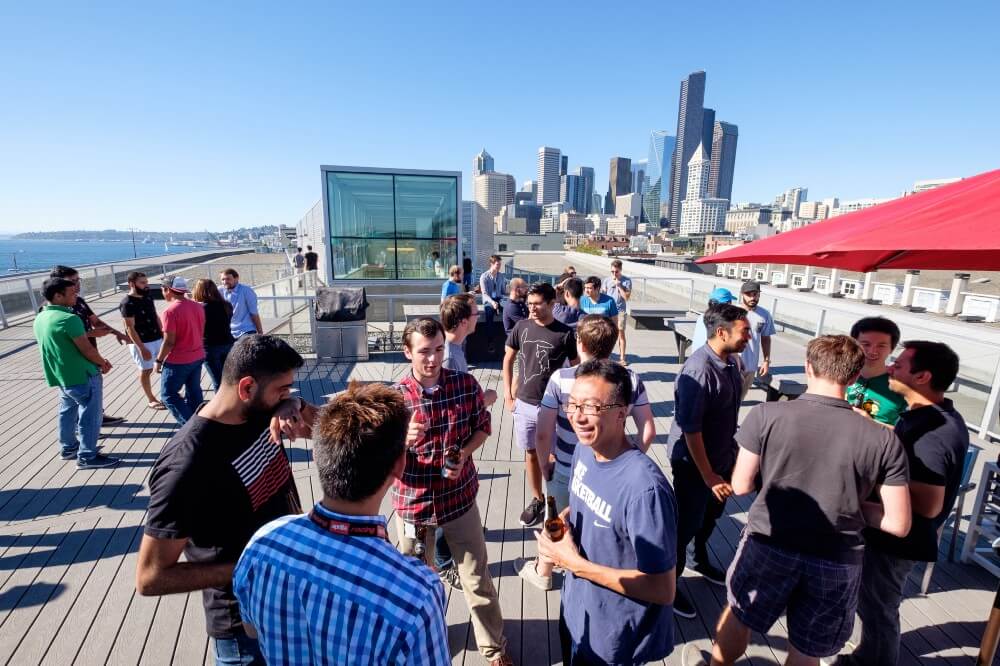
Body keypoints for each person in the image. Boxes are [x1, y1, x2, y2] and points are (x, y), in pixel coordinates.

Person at [683, 335, 911, 666]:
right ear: (853, 376)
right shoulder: (883, 439)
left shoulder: (766, 415)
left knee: (740, 614)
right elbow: (898, 523)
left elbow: (742, 485)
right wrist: (843, 503)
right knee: (807, 647)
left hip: (769, 542)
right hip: (836, 557)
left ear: (808, 368)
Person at [233, 382, 449, 665]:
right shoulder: (417, 594)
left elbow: (251, 629)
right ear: (399, 465)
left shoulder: (263, 543)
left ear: (319, 455)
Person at [136, 335, 312, 665]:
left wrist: (295, 405)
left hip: (289, 606)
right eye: (282, 388)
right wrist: (252, 567)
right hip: (244, 632)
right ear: (246, 388)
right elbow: (150, 577)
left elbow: (320, 426)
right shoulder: (186, 465)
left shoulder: (258, 410)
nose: (285, 395)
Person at [538, 359, 677, 665]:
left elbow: (663, 588)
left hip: (613, 636)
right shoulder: (584, 450)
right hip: (577, 611)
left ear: (621, 412)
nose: (577, 417)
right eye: (572, 404)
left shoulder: (645, 490)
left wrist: (573, 563)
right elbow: (583, 503)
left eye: (591, 407)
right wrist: (564, 522)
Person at [392, 318, 511, 665]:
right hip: (415, 506)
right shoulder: (394, 400)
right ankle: (425, 645)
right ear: (407, 352)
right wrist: (401, 441)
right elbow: (378, 457)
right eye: (424, 352)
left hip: (459, 499)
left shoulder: (464, 384)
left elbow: (483, 427)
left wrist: (465, 454)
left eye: (438, 350)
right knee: (417, 587)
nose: (432, 359)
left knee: (477, 579)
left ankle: (494, 649)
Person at [843, 341, 968, 666]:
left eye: (899, 363)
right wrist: (872, 427)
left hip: (897, 540)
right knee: (873, 605)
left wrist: (870, 473)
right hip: (891, 532)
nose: (890, 367)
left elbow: (928, 504)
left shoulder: (934, 434)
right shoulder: (926, 414)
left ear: (923, 376)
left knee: (878, 609)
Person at [519, 315, 656, 591]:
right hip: (610, 470)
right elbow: (648, 430)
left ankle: (544, 572)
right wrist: (626, 463)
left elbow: (543, 433)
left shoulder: (562, 378)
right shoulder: (628, 378)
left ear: (579, 343)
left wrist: (546, 463)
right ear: (613, 344)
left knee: (557, 521)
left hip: (567, 465)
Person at [667, 303, 750, 619]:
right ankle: (669, 585)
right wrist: (709, 476)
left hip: (721, 457)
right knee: (684, 525)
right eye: (744, 332)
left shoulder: (730, 363)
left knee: (712, 515)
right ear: (721, 332)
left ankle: (697, 558)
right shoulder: (699, 370)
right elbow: (691, 429)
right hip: (695, 465)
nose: (749, 339)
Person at [503, 283, 578, 527]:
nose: (532, 308)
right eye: (529, 303)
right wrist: (508, 395)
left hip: (554, 406)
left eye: (537, 304)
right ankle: (537, 498)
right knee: (531, 453)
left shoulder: (565, 333)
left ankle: (554, 500)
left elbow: (578, 369)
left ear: (551, 303)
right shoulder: (521, 327)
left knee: (556, 455)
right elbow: (508, 358)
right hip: (524, 403)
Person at [435, 293, 497, 589]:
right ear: (462, 321)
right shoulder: (448, 355)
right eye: (474, 313)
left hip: (458, 443)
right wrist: (485, 399)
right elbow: (448, 406)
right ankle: (444, 562)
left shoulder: (455, 348)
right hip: (449, 445)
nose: (478, 316)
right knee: (443, 500)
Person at [34, 277, 119, 469]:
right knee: (91, 416)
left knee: (67, 412)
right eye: (72, 293)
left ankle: (68, 448)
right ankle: (87, 456)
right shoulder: (69, 319)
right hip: (83, 375)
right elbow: (87, 349)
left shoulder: (41, 317)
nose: (76, 296)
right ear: (57, 295)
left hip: (62, 375)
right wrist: (102, 363)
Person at [50, 265, 128, 425]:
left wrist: (118, 333)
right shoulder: (55, 309)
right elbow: (62, 337)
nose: (77, 284)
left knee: (92, 391)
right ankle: (88, 427)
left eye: (78, 280)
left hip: (89, 352)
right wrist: (92, 334)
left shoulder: (78, 301)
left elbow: (96, 322)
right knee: (79, 395)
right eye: (72, 281)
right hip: (73, 358)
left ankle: (97, 416)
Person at [155, 277, 206, 425]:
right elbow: (200, 331)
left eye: (163, 290)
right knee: (194, 392)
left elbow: (169, 341)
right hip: (197, 355)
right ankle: (201, 423)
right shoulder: (198, 306)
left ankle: (191, 428)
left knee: (168, 395)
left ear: (168, 290)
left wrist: (158, 360)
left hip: (178, 360)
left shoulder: (170, 311)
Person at [846, 316, 907, 426]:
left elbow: (908, 434)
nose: (872, 351)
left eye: (881, 346)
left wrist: (871, 422)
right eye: (866, 344)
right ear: (854, 345)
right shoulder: (837, 375)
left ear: (892, 349)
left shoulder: (902, 387)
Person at [120, 271, 165, 410]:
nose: (146, 285)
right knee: (146, 370)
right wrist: (141, 348)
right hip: (142, 342)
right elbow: (130, 328)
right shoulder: (127, 303)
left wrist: (163, 333)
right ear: (132, 284)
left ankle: (166, 393)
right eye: (142, 283)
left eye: (146, 282)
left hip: (157, 337)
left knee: (165, 366)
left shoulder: (148, 297)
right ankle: (151, 399)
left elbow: (155, 315)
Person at [192, 278, 235, 392]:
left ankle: (221, 406)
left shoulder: (201, 309)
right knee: (229, 378)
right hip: (228, 343)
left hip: (210, 347)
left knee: (218, 380)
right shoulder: (226, 305)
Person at [737, 281, 775, 400]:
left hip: (751, 366)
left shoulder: (764, 315)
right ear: (742, 294)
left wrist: (766, 361)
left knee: (739, 400)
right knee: (727, 400)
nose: (753, 297)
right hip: (732, 365)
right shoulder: (732, 311)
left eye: (755, 294)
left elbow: (766, 338)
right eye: (749, 294)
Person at [601, 259, 633, 364]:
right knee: (606, 334)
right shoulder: (606, 281)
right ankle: (606, 356)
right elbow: (603, 295)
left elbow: (626, 297)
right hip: (608, 311)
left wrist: (619, 286)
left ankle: (622, 358)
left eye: (616, 271)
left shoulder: (627, 281)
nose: (614, 273)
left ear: (620, 270)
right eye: (612, 271)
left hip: (620, 311)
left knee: (620, 333)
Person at [219, 268, 263, 339]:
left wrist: (260, 333)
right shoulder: (220, 291)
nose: (225, 282)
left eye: (228, 279)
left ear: (236, 278)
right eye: (223, 279)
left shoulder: (246, 291)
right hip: (229, 331)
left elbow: (254, 313)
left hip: (246, 330)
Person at [479, 254, 506, 328]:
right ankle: (490, 338)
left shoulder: (501, 276)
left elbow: (503, 291)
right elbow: (484, 294)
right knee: (489, 312)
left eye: (500, 264)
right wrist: (492, 302)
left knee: (509, 310)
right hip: (489, 300)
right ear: (491, 264)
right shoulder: (484, 276)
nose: (499, 266)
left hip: (499, 299)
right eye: (498, 264)